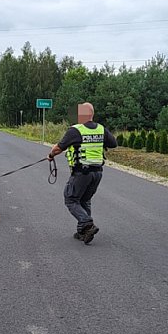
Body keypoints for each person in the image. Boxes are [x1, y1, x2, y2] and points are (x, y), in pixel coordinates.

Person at [47, 102, 117, 244]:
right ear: (92, 114)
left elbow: (59, 148)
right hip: (97, 173)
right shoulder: (101, 129)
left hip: (82, 172)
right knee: (85, 200)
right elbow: (113, 143)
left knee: (71, 199)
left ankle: (87, 223)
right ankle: (83, 232)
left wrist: (50, 155)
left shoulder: (75, 130)